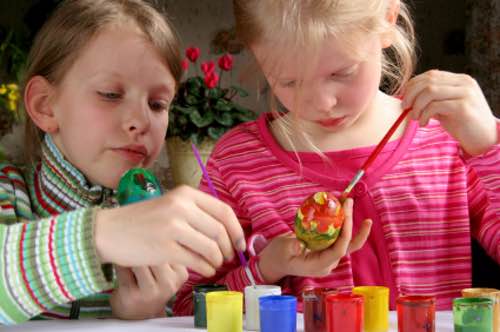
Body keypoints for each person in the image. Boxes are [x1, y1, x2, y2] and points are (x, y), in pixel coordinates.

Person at [174, 0, 500, 314]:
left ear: (388, 17)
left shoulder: (444, 137)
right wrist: (267, 268)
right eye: (290, 81)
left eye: (342, 72)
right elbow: (187, 308)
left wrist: (489, 147)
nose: (323, 102)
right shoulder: (238, 163)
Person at [0, 0, 246, 325]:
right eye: (110, 94)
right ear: (45, 106)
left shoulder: (168, 227)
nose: (140, 120)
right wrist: (99, 236)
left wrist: (148, 314)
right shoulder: (10, 195)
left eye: (157, 104)